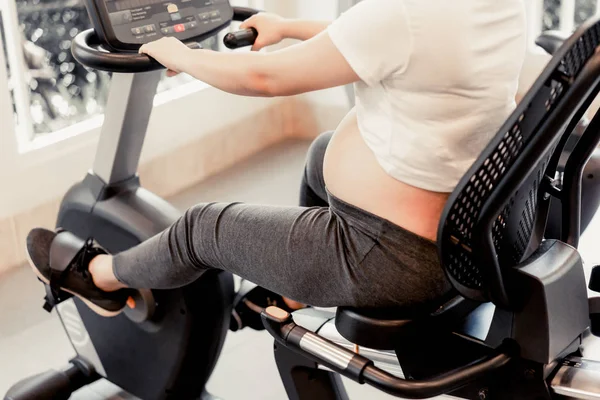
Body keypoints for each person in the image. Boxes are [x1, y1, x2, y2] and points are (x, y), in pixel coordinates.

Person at [26, 0, 527, 317]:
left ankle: (100, 279)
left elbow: (266, 79)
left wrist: (178, 54)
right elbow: (381, 39)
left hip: (393, 256)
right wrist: (287, 26)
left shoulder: (407, 14)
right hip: (465, 229)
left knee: (205, 227)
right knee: (321, 154)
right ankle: (295, 291)